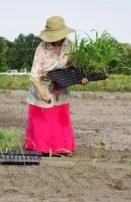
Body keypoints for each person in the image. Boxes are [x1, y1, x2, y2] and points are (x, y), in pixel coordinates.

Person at [24, 15, 87, 155]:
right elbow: (34, 76)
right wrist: (42, 93)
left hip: (60, 85)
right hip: (43, 86)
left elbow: (74, 67)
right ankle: (41, 149)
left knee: (60, 119)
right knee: (43, 119)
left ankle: (61, 149)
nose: (57, 39)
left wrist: (81, 78)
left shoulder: (69, 45)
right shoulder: (41, 48)